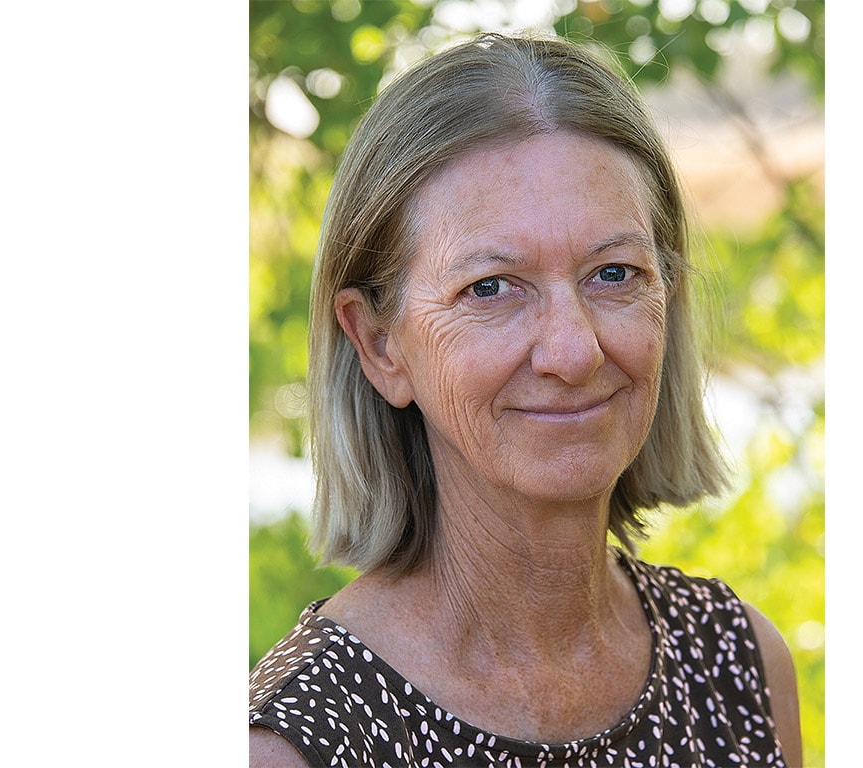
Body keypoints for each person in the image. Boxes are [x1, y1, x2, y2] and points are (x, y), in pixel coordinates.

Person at [249, 32, 802, 768]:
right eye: (490, 287)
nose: (573, 352)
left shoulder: (739, 667)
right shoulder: (291, 744)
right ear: (381, 344)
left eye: (613, 273)